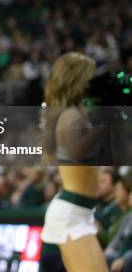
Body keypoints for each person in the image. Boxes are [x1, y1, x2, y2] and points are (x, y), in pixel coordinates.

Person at [40, 52, 108, 272]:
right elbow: (75, 154)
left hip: (77, 212)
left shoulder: (75, 112)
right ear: (78, 79)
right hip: (72, 215)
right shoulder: (70, 115)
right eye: (91, 76)